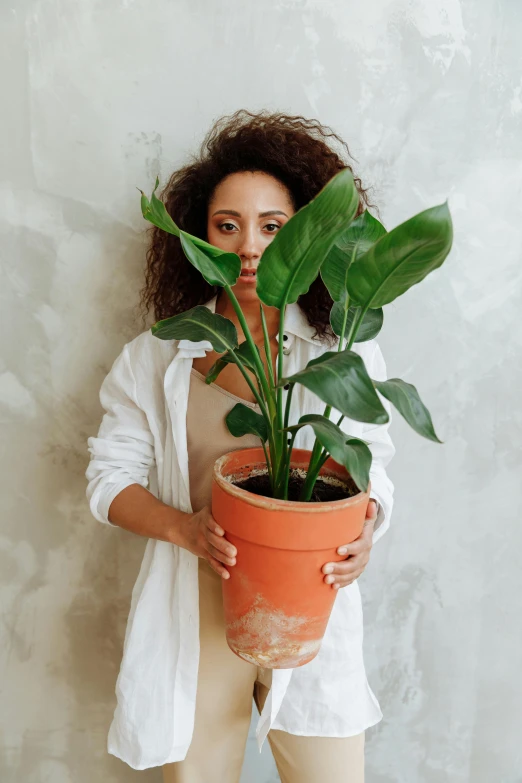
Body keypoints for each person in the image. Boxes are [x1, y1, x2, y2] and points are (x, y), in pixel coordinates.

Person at [85, 109, 395, 782]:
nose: (250, 247)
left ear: (311, 237)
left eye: (273, 227)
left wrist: (367, 527)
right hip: (198, 602)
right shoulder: (156, 356)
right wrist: (185, 528)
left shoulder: (339, 350)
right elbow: (108, 480)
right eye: (227, 226)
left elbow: (372, 464)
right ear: (198, 238)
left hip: (310, 599)